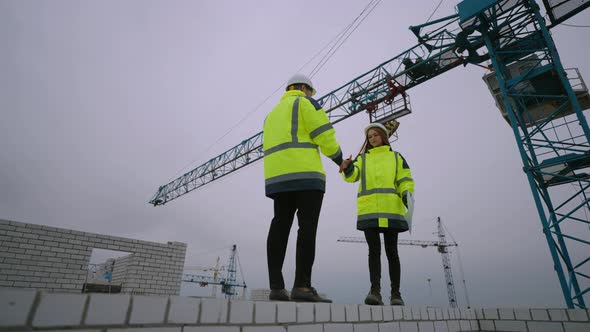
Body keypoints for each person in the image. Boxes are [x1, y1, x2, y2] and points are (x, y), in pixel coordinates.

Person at [262, 73, 344, 302]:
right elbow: (324, 135)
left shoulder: (271, 115)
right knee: (307, 228)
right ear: (305, 89)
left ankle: (276, 288)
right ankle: (302, 287)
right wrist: (340, 160)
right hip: (306, 176)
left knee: (279, 226)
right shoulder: (306, 103)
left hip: (278, 179)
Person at [340, 122, 414, 306]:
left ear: (383, 136)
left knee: (392, 253)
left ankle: (396, 294)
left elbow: (405, 179)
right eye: (369, 136)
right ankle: (375, 292)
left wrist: (407, 195)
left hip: (391, 210)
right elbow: (352, 176)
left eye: (375, 135)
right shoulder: (362, 159)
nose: (372, 139)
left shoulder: (396, 157)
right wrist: (348, 167)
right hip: (369, 210)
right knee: (373, 252)